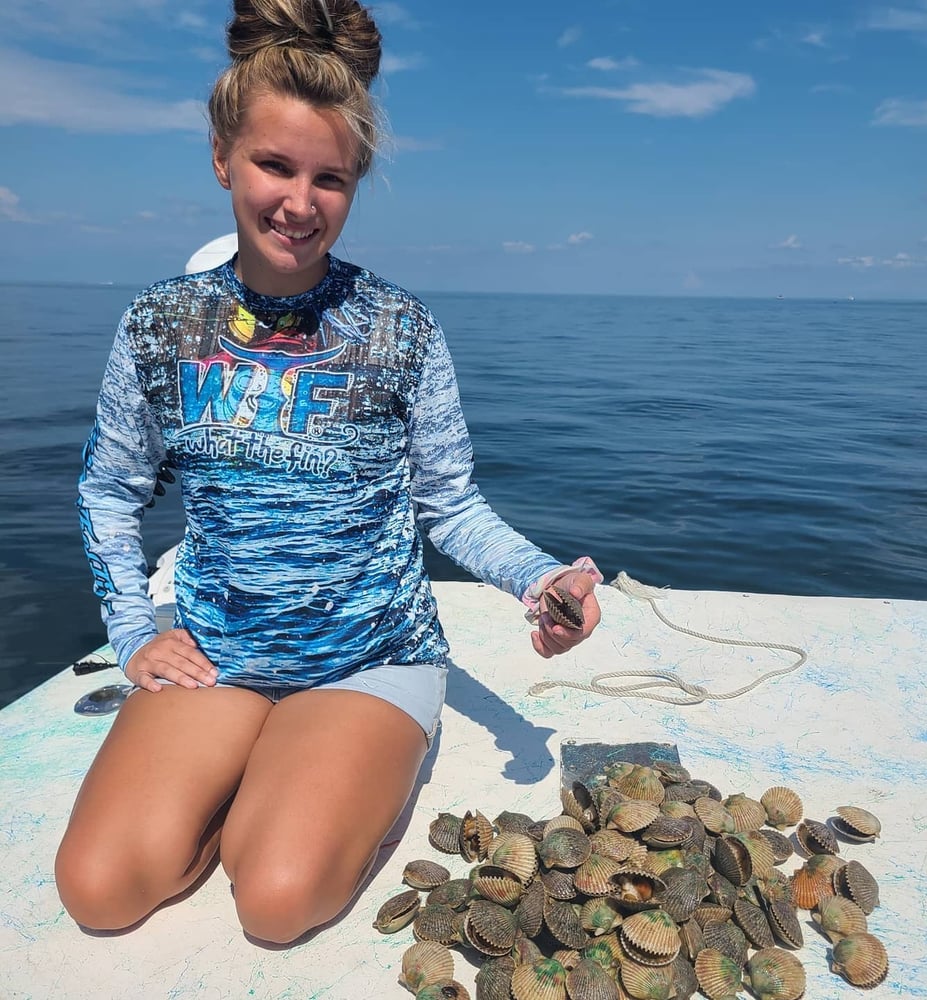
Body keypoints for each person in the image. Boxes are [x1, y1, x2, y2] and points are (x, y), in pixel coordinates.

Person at [55, 0, 602, 945]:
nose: (299, 202)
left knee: (275, 902)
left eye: (330, 178)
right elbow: (109, 489)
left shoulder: (401, 328)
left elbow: (451, 502)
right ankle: (250, 772)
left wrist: (541, 578)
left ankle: (306, 775)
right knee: (98, 891)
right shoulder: (158, 323)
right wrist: (133, 630)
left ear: (355, 187)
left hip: (368, 659)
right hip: (216, 652)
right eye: (274, 165)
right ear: (224, 158)